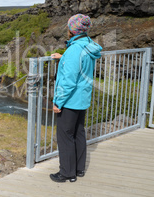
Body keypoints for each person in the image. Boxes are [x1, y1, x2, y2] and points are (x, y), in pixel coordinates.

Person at [49, 14, 102, 183]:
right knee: (78, 132)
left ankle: (66, 173)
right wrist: (63, 57)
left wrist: (58, 101)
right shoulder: (88, 45)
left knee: (65, 135)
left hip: (70, 100)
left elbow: (69, 80)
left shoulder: (74, 50)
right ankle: (78, 169)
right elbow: (79, 65)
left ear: (72, 29)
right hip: (82, 98)